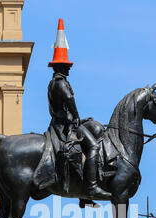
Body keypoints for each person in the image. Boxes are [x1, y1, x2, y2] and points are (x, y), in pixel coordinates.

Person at [47, 19, 111, 200]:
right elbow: (70, 100)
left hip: (60, 122)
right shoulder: (61, 83)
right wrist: (76, 118)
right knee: (93, 146)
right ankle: (91, 188)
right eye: (66, 65)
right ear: (61, 66)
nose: (69, 68)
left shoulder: (53, 83)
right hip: (65, 125)